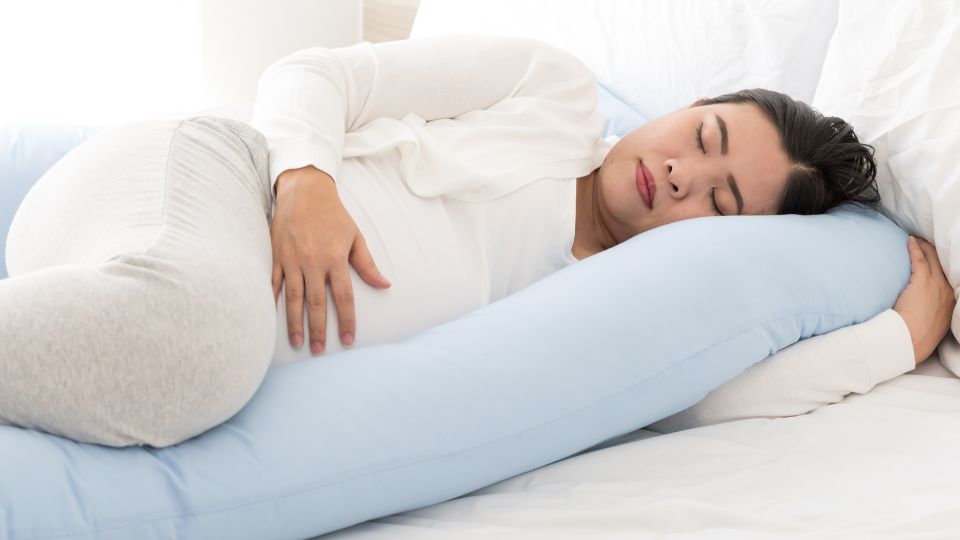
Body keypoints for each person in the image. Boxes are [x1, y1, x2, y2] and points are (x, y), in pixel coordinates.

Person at [251, 34, 954, 387]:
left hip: (254, 342)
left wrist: (898, 340)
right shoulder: (554, 90)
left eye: (721, 200)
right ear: (693, 105)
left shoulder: (626, 308)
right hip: (245, 200)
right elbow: (314, 75)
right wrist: (306, 185)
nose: (683, 174)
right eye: (704, 138)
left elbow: (711, 399)